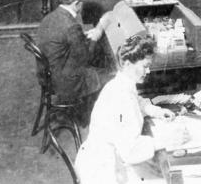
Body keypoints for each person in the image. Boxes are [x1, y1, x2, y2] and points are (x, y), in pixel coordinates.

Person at [75, 34, 176, 184]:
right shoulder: (121, 98)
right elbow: (131, 151)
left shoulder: (121, 83)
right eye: (145, 66)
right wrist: (167, 140)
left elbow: (136, 100)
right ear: (128, 64)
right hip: (106, 172)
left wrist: (154, 110)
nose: (148, 72)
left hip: (107, 157)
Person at [37, 0, 113, 103]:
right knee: (112, 77)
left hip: (48, 75)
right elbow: (86, 58)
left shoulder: (51, 16)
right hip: (66, 81)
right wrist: (96, 35)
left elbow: (64, 40)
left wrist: (83, 36)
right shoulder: (71, 25)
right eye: (82, 3)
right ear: (77, 3)